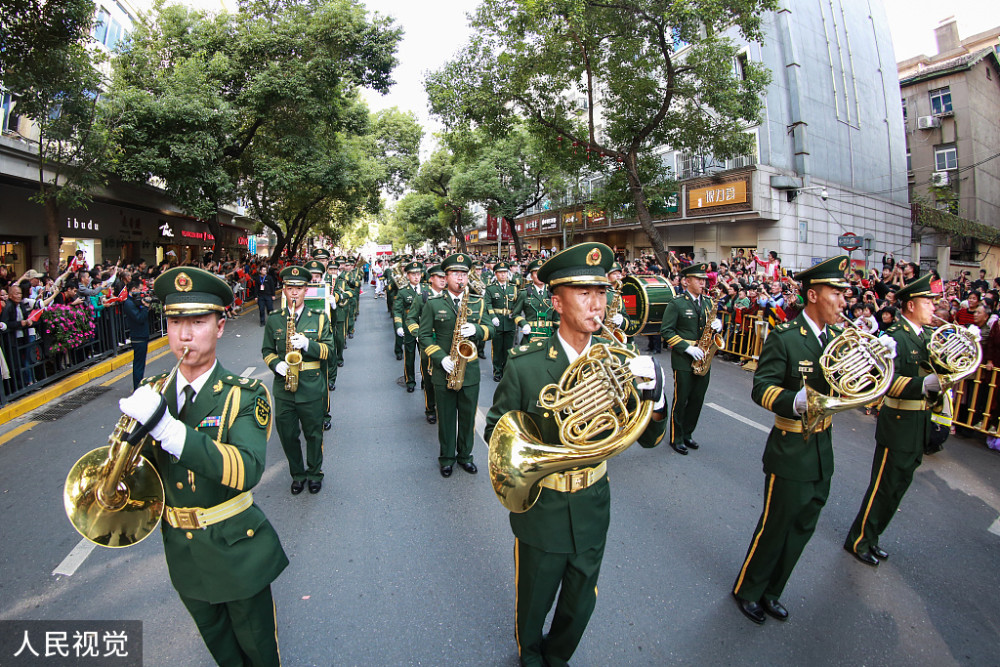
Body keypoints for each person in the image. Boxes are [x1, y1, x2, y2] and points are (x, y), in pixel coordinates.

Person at [484, 242, 667, 667]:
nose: (596, 304)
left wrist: (655, 403)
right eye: (583, 293)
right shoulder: (525, 366)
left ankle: (558, 657)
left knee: (580, 604)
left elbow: (648, 439)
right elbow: (499, 433)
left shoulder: (622, 361)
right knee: (533, 602)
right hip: (543, 506)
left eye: (602, 293)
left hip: (592, 504)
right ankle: (530, 658)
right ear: (556, 302)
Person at [117, 266, 287, 666]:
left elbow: (246, 468)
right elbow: (138, 476)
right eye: (176, 322)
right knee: (223, 653)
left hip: (236, 549)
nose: (185, 335)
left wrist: (167, 429)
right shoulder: (154, 390)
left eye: (198, 321)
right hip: (184, 554)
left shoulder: (243, 395)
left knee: (259, 652)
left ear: (220, 326)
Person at [732, 255, 854, 624]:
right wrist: (793, 400)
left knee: (803, 527)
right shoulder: (786, 338)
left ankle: (773, 590)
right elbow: (761, 388)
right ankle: (749, 590)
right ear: (813, 294)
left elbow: (851, 388)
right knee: (776, 526)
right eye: (837, 292)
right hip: (790, 448)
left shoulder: (838, 338)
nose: (844, 301)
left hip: (822, 449)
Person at [843, 273, 943, 565]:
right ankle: (859, 540)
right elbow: (885, 380)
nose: (933, 308)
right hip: (898, 423)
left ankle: (873, 537)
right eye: (928, 303)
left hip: (918, 423)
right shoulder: (895, 336)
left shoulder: (924, 336)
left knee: (898, 487)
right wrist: (922, 386)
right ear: (911, 305)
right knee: (883, 487)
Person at [418, 253, 493, 477]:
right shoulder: (433, 304)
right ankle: (447, 458)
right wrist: (441, 358)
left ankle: (465, 456)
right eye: (456, 274)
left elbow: (491, 329)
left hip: (469, 371)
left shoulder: (478, 303)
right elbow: (424, 337)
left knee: (468, 417)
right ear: (446, 276)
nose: (461, 278)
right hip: (444, 370)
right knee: (447, 417)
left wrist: (477, 330)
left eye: (464, 274)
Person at [261, 265, 334, 495]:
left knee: (314, 433)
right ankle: (297, 473)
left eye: (299, 288)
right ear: (283, 290)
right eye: (290, 288)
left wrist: (308, 345)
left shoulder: (319, 318)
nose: (294, 293)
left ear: (306, 291)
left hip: (311, 386)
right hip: (284, 388)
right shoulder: (274, 320)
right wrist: (276, 364)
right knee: (288, 435)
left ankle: (314, 473)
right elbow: (266, 350)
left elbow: (330, 350)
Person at [660, 263, 723, 454]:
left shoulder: (708, 303)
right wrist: (687, 348)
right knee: (682, 399)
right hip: (684, 359)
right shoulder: (677, 303)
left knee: (697, 399)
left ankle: (688, 433)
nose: (703, 283)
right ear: (686, 282)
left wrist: (718, 327)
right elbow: (666, 331)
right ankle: (676, 437)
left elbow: (709, 329)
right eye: (699, 279)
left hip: (704, 357)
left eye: (704, 280)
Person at [407, 263, 446, 423]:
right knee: (429, 379)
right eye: (439, 277)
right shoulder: (422, 296)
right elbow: (411, 319)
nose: (443, 280)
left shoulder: (451, 295)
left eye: (445, 277)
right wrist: (418, 334)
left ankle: (445, 408)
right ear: (431, 279)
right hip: (429, 342)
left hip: (447, 342)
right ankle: (430, 408)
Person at [393, 261, 426, 392]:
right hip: (409, 327)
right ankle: (410, 381)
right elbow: (397, 310)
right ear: (407, 276)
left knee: (425, 356)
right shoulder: (402, 292)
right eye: (413, 274)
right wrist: (399, 326)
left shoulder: (426, 289)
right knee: (410, 356)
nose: (416, 277)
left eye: (418, 274)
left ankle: (425, 380)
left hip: (424, 327)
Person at [485, 261, 518, 381]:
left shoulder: (513, 288)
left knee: (509, 349)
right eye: (500, 273)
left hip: (509, 322)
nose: (503, 275)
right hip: (497, 322)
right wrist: (492, 316)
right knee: (497, 349)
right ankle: (497, 371)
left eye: (505, 272)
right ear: (496, 274)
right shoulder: (491, 288)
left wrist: (514, 313)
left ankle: (506, 370)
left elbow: (517, 303)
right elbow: (487, 303)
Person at [512, 259, 558, 343]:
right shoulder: (524, 293)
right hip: (531, 334)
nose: (539, 276)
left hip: (550, 335)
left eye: (542, 273)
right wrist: (524, 324)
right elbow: (515, 314)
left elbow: (557, 317)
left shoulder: (553, 293)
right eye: (536, 273)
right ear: (531, 276)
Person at [122, 278, 151, 389]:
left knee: (141, 363)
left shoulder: (134, 300)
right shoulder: (129, 303)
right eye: (139, 289)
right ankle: (137, 387)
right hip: (138, 336)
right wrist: (145, 308)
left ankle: (139, 385)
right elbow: (139, 318)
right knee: (139, 364)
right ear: (133, 289)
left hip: (142, 335)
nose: (141, 292)